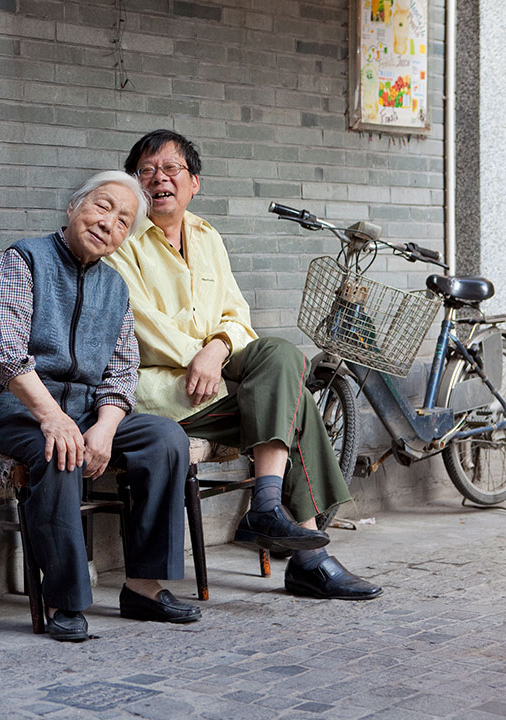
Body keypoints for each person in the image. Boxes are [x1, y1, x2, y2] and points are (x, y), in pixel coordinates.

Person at [104, 130, 382, 601]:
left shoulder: (207, 237)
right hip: (167, 393)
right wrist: (202, 357)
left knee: (283, 355)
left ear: (195, 183)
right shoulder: (122, 240)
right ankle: (308, 558)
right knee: (293, 403)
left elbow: (236, 316)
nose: (158, 180)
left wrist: (215, 351)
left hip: (217, 372)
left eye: (171, 170)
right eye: (147, 172)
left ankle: (268, 504)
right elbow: (137, 323)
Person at [0, 170, 202, 642]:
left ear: (123, 240)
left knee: (165, 438)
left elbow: (123, 371)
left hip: (85, 410)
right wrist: (52, 417)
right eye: (102, 206)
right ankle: (65, 600)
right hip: (10, 408)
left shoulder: (115, 288)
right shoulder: (25, 259)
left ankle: (142, 586)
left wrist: (106, 427)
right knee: (58, 450)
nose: (108, 223)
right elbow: (2, 345)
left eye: (123, 221)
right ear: (74, 207)